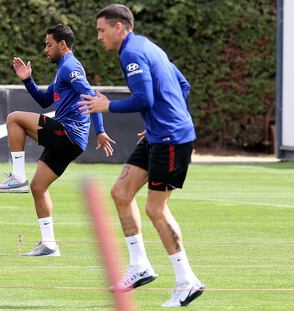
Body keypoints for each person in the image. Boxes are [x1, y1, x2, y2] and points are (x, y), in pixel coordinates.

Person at [78, 4, 204, 307]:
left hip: (171, 139)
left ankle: (187, 281)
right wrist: (165, 119)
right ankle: (139, 267)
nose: (99, 37)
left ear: (119, 27)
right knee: (121, 192)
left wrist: (108, 107)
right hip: (161, 135)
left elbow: (144, 98)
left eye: (101, 30)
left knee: (156, 210)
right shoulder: (147, 46)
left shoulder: (132, 53)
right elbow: (182, 85)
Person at [0, 24, 115, 257]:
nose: (45, 50)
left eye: (48, 45)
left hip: (68, 133)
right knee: (38, 187)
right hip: (69, 139)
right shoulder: (62, 70)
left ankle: (17, 176)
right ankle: (49, 245)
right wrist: (28, 80)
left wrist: (100, 130)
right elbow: (44, 101)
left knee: (14, 118)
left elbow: (90, 95)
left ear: (62, 45)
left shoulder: (70, 67)